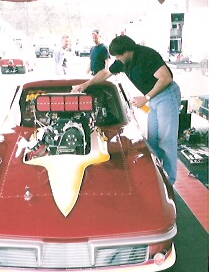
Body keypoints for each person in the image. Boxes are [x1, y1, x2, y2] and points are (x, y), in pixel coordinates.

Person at [72, 35, 181, 185]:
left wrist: (146, 98)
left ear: (128, 51)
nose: (118, 59)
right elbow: (105, 73)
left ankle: (170, 180)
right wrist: (86, 85)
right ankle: (158, 177)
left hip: (166, 96)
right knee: (153, 141)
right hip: (154, 98)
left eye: (119, 55)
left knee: (166, 140)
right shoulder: (124, 61)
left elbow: (166, 78)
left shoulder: (146, 55)